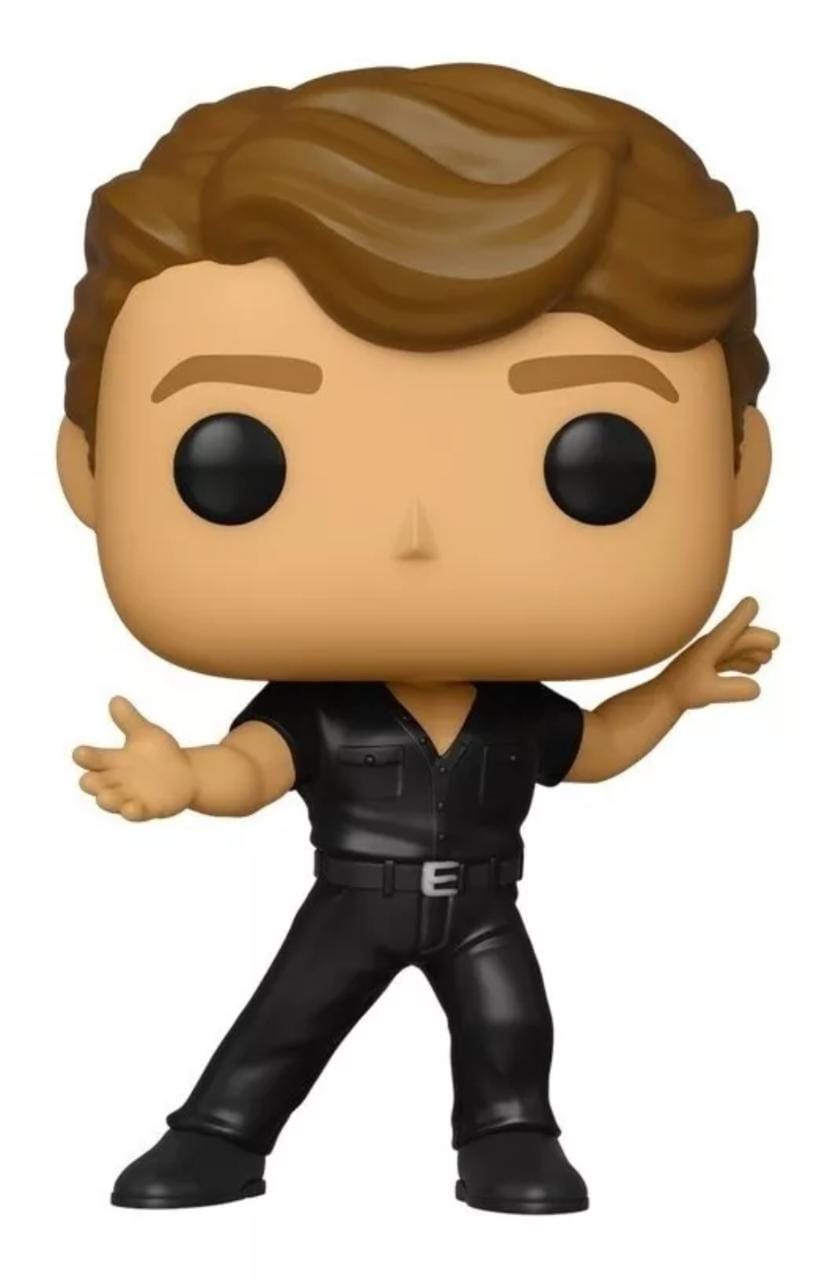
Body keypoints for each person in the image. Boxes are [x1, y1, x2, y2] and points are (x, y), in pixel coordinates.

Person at [58, 63, 778, 1214]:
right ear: (88, 470)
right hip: (352, 896)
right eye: (234, 462)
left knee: (509, 1022)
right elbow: (253, 767)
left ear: (737, 464)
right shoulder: (322, 707)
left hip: (481, 899)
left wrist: (673, 688)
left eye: (595, 463)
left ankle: (508, 1138)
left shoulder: (511, 712)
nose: (413, 535)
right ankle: (217, 1136)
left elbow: (593, 747)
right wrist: (183, 777)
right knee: (287, 1017)